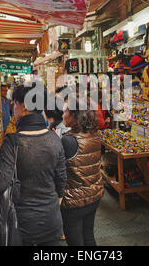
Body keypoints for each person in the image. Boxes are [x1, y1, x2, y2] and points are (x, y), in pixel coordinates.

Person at [0, 82, 67, 246]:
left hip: (23, 225)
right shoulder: (54, 139)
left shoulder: (12, 142)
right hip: (52, 221)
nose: (13, 107)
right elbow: (61, 183)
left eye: (15, 103)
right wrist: (50, 207)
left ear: (24, 106)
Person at [60, 94, 104, 246]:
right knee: (89, 236)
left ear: (74, 115)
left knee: (75, 242)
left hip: (74, 201)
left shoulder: (68, 140)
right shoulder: (94, 134)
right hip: (94, 195)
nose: (62, 114)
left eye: (65, 111)